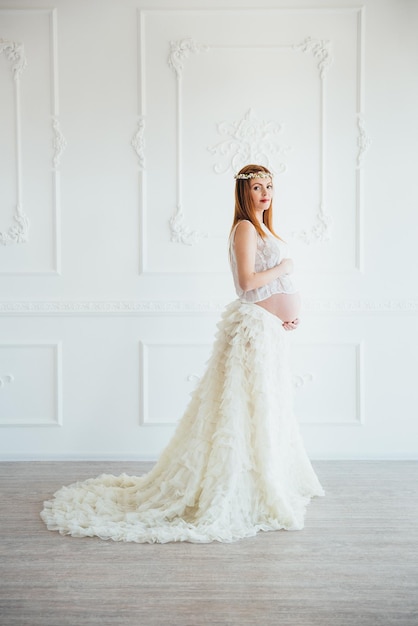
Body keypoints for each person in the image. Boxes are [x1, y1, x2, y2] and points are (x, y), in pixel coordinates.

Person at [40, 164, 324, 543]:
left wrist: (285, 317)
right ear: (244, 193)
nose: (265, 193)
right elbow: (245, 284)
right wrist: (285, 268)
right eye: (257, 187)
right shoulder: (244, 228)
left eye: (269, 186)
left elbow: (270, 289)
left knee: (265, 409)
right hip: (251, 331)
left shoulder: (264, 227)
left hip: (269, 330)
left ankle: (262, 480)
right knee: (244, 410)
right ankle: (236, 485)